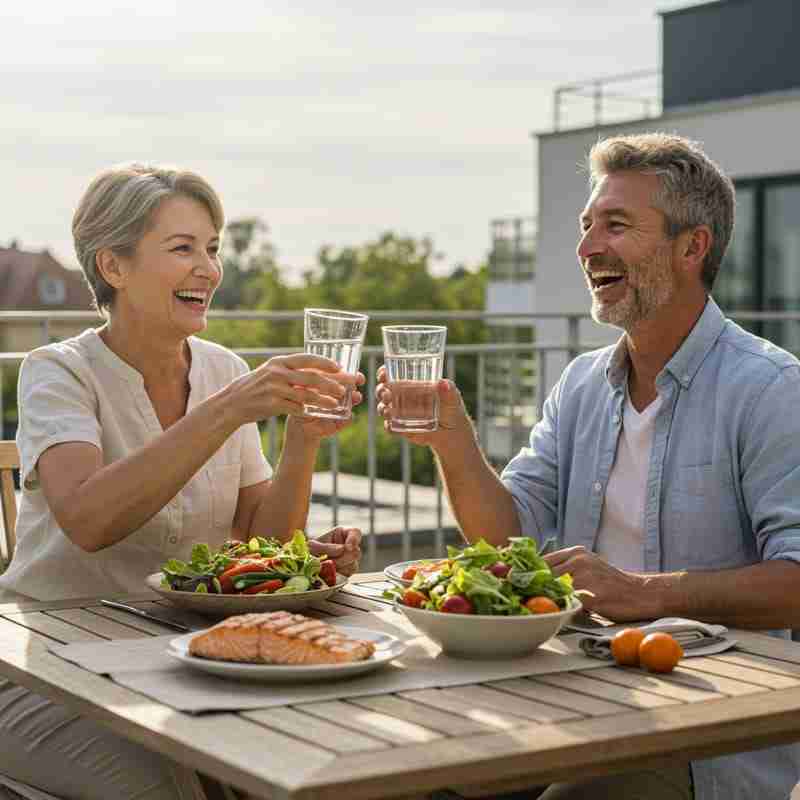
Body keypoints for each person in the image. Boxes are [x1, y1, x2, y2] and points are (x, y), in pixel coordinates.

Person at [378, 133, 800, 800]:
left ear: (693, 248)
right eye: (587, 226)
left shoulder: (771, 389)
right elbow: (506, 538)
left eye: (617, 225)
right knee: (401, 776)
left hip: (699, 734)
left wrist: (648, 591)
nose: (587, 248)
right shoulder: (580, 385)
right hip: (564, 693)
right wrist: (452, 442)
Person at [0, 162, 365, 800]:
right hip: (47, 664)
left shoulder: (223, 369)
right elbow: (87, 519)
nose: (209, 269)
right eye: (182, 248)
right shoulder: (57, 372)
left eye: (212, 248)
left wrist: (303, 437)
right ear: (112, 266)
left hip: (185, 658)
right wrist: (227, 409)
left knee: (318, 758)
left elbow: (262, 543)